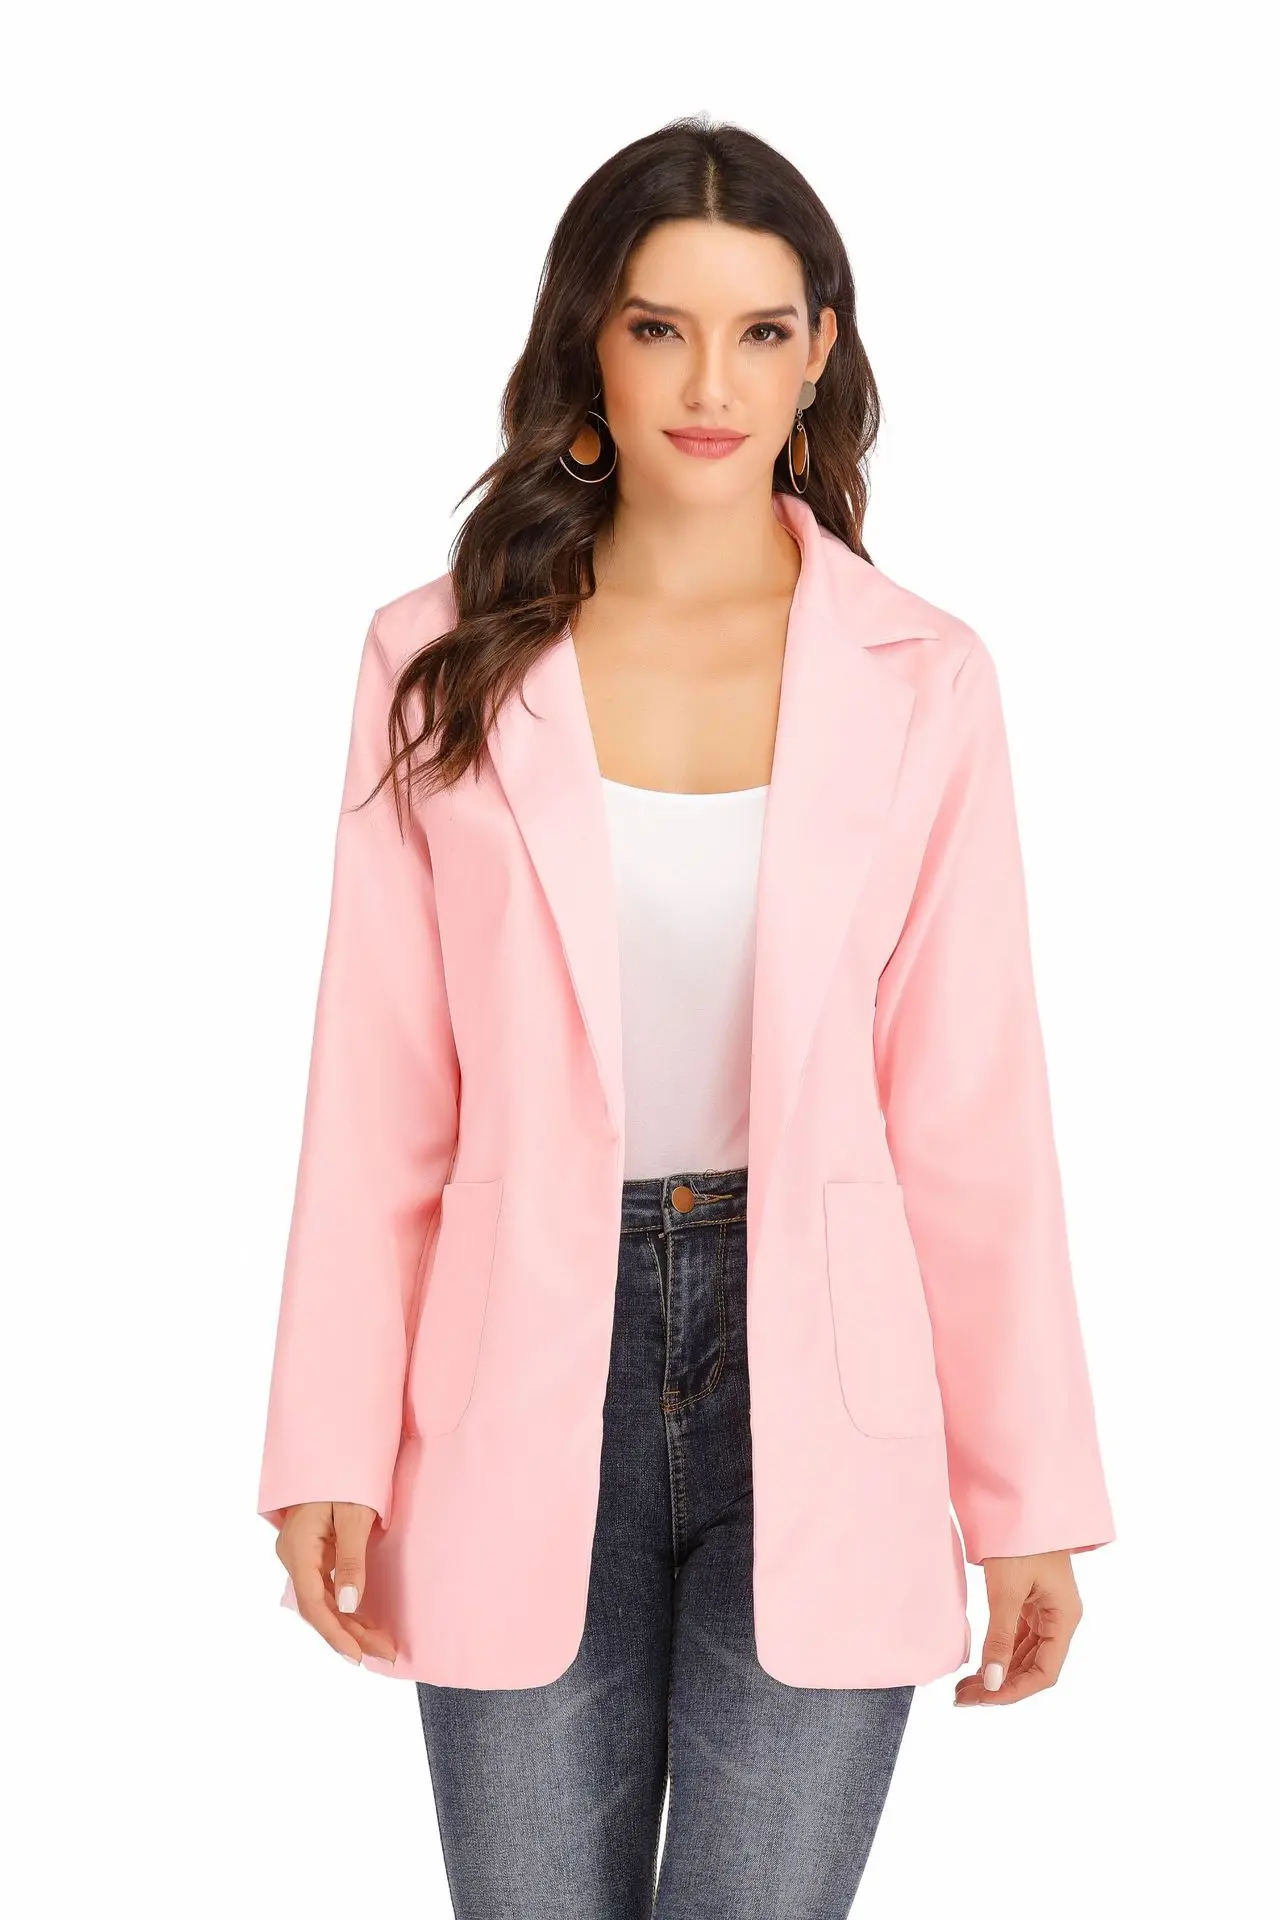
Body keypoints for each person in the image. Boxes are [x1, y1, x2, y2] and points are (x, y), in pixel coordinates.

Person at [257, 116, 1117, 1918]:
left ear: (820, 353)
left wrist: (1028, 1493)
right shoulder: (436, 659)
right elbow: (379, 1091)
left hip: (828, 1382)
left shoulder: (925, 677)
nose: (709, 383)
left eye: (758, 330)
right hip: (514, 1370)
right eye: (658, 328)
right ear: (590, 346)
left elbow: (971, 1113)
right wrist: (327, 1442)